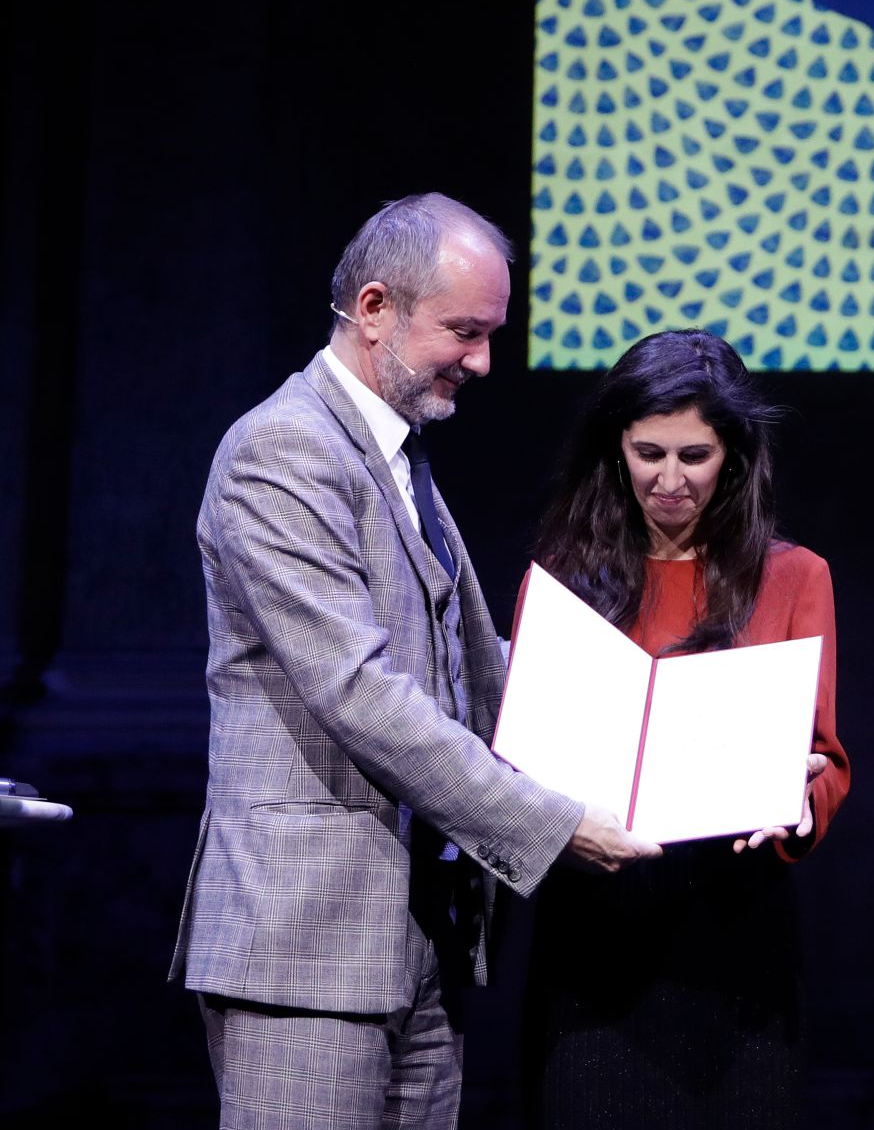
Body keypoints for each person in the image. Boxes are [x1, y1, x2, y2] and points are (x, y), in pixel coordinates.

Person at [170, 193, 657, 1130]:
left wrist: (691, 742)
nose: (481, 362)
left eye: (490, 334)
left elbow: (474, 670)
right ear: (376, 308)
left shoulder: (396, 458)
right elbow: (359, 693)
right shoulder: (282, 451)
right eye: (464, 332)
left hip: (419, 942)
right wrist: (550, 825)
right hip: (304, 952)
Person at [518, 328, 850, 1130]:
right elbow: (521, 755)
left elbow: (827, 759)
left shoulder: (794, 576)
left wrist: (801, 801)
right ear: (616, 449)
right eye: (648, 453)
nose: (668, 481)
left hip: (732, 934)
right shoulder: (563, 576)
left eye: (693, 457)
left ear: (732, 457)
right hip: (593, 934)